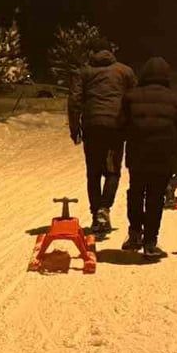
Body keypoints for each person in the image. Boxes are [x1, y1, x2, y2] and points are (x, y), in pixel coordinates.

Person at [120, 57, 177, 259]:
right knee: (155, 198)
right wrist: (175, 154)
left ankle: (134, 234)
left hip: (138, 154)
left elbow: (121, 126)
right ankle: (150, 242)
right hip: (163, 156)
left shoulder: (130, 97)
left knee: (135, 192)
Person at [67, 38, 136, 234]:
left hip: (92, 126)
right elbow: (133, 99)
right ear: (110, 50)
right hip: (116, 126)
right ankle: (104, 208)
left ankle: (96, 215)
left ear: (92, 52)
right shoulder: (125, 71)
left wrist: (75, 129)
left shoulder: (84, 71)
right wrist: (131, 126)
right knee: (113, 171)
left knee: (94, 173)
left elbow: (74, 100)